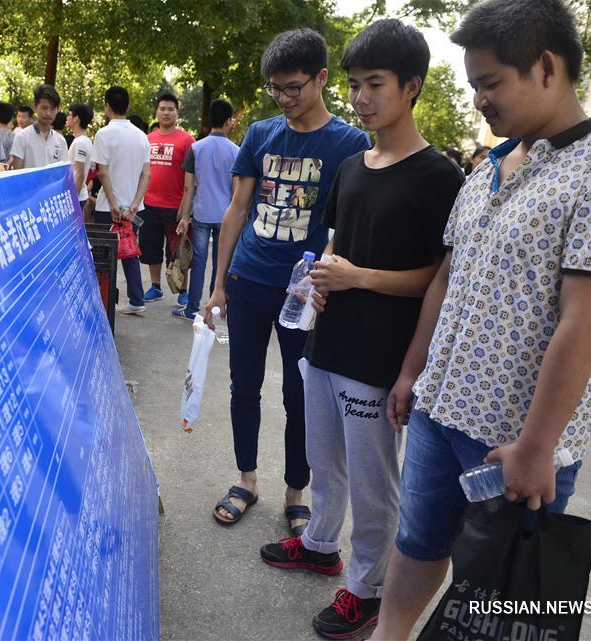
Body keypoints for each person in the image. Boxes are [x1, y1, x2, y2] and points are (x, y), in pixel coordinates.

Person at [371, 1, 591, 639]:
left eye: (490, 82)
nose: (478, 100)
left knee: (496, 595)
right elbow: (447, 277)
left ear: (547, 67)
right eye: (472, 84)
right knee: (417, 540)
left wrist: (536, 446)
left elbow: (582, 326)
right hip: (441, 411)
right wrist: (412, 371)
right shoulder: (488, 169)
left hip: (512, 438)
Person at [257, 21, 464, 640]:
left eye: (375, 83)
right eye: (353, 84)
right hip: (328, 338)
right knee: (325, 460)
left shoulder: (439, 176)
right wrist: (317, 279)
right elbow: (337, 247)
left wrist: (358, 277)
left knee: (376, 481)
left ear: (412, 86)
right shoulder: (351, 166)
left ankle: (367, 587)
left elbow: (438, 277)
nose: (361, 97)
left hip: (380, 356)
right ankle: (320, 544)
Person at [202, 29, 371, 536]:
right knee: (243, 385)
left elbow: (345, 226)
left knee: (301, 397)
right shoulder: (259, 135)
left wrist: (325, 275)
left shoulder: (349, 143)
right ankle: (246, 480)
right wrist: (217, 285)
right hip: (249, 278)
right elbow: (237, 209)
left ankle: (296, 491)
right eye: (277, 88)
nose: (285, 97)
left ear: (321, 78)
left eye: (294, 86)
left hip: (303, 292)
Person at [173, 98, 240, 320]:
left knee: (199, 263)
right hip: (226, 215)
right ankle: (215, 307)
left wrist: (184, 217)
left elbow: (187, 187)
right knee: (221, 264)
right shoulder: (236, 151)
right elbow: (235, 191)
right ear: (229, 121)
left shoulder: (195, 148)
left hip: (201, 213)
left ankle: (192, 309)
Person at [91, 86, 151, 314]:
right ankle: (137, 299)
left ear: (107, 106)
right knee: (129, 250)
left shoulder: (103, 134)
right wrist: (135, 204)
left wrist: (115, 205)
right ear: (127, 106)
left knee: (103, 257)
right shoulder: (141, 136)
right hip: (135, 209)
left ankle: (104, 300)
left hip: (109, 208)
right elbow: (147, 174)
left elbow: (102, 173)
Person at [138, 93, 195, 307]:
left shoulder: (187, 141)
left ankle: (183, 290)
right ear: (157, 112)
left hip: (175, 207)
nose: (166, 112)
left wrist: (185, 208)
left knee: (178, 251)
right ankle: (155, 287)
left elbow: (192, 178)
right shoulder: (147, 139)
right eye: (162, 108)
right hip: (149, 204)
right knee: (151, 249)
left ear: (177, 112)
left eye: (170, 109)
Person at [9, 84, 68, 170]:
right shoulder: (22, 137)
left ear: (57, 110)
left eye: (52, 109)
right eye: (44, 108)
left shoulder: (60, 141)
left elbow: (62, 173)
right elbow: (18, 174)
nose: (48, 113)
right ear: (35, 107)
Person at [66, 103, 94, 210]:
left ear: (76, 118)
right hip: (79, 194)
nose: (67, 117)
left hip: (77, 195)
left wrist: (73, 199)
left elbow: (79, 173)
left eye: (69, 114)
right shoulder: (84, 140)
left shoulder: (80, 142)